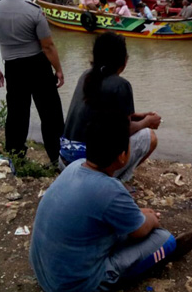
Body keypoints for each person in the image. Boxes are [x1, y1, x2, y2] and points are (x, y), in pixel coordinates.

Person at [30, 111, 192, 292]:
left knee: (116, 224)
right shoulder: (110, 189)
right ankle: (159, 257)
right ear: (123, 156)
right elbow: (141, 231)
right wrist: (151, 219)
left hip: (44, 273)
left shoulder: (75, 166)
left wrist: (140, 216)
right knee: (164, 239)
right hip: (74, 287)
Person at [0, 0, 64, 163]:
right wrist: (58, 69)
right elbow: (48, 46)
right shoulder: (34, 12)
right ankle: (57, 158)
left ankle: (16, 158)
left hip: (13, 67)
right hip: (38, 66)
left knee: (17, 113)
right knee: (50, 114)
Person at [60, 32, 160, 182]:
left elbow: (99, 116)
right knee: (149, 136)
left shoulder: (86, 76)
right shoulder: (121, 85)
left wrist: (139, 116)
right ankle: (117, 181)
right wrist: (147, 122)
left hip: (65, 160)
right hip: (90, 164)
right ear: (124, 61)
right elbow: (121, 132)